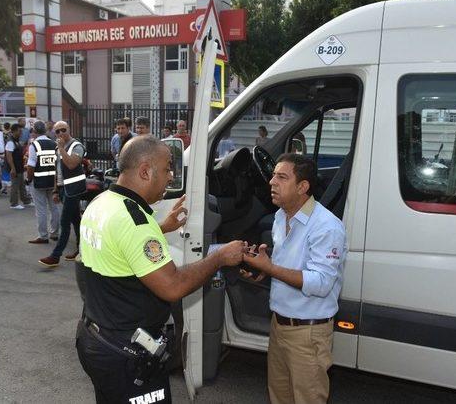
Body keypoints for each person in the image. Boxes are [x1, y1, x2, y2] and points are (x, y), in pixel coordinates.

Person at [76, 135, 248, 403]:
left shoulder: (103, 202)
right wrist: (220, 257)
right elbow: (173, 286)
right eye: (168, 168)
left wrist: (162, 227)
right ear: (145, 171)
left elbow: (121, 245)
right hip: (127, 353)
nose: (171, 176)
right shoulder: (136, 223)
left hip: (96, 339)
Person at [243, 154, 346, 404]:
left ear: (303, 187)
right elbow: (286, 267)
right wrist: (263, 270)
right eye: (273, 175)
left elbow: (320, 283)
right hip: (279, 326)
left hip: (307, 335)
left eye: (281, 177)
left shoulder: (326, 226)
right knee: (279, 397)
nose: (271, 182)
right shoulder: (281, 216)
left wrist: (270, 268)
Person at [38, 121, 85, 267]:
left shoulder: (76, 146)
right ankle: (81, 250)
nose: (60, 134)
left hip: (74, 189)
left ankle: (55, 256)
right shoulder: (59, 148)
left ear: (69, 129)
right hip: (64, 189)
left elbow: (71, 164)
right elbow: (57, 170)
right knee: (76, 220)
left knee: (64, 222)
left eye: (63, 130)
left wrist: (61, 148)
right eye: (56, 131)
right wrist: (55, 190)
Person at [26, 121, 59, 244]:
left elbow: (30, 166)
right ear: (45, 131)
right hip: (52, 181)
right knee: (54, 207)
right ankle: (55, 233)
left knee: (41, 209)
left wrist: (29, 179)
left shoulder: (34, 145)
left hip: (38, 181)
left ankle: (43, 236)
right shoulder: (54, 144)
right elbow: (57, 163)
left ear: (34, 132)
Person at [5, 124, 32, 209]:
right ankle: (14, 203)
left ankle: (26, 201)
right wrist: (12, 168)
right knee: (15, 186)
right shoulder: (10, 142)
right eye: (19, 131)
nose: (21, 133)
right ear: (14, 131)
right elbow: (8, 156)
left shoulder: (16, 141)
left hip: (19, 167)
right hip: (15, 167)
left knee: (22, 185)